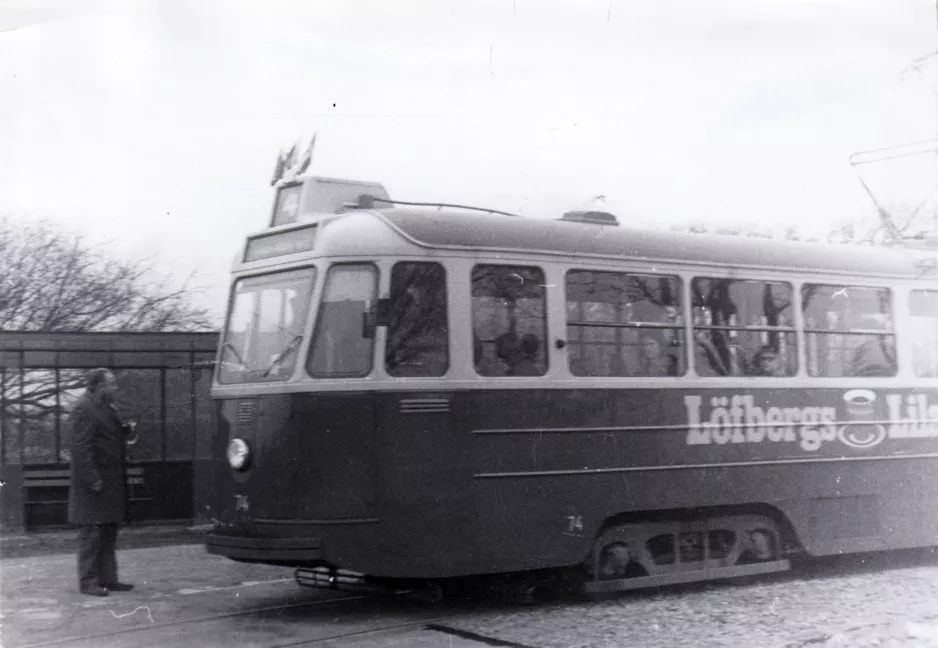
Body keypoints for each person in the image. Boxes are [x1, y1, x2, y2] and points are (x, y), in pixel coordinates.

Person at [68, 368, 135, 597]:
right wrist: (92, 479)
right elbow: (80, 448)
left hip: (109, 482)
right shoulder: (83, 408)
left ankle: (108, 580)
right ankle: (88, 582)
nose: (115, 388)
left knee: (107, 531)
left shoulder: (105, 408)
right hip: (95, 484)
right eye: (111, 384)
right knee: (92, 533)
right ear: (99, 386)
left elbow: (105, 436)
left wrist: (124, 430)